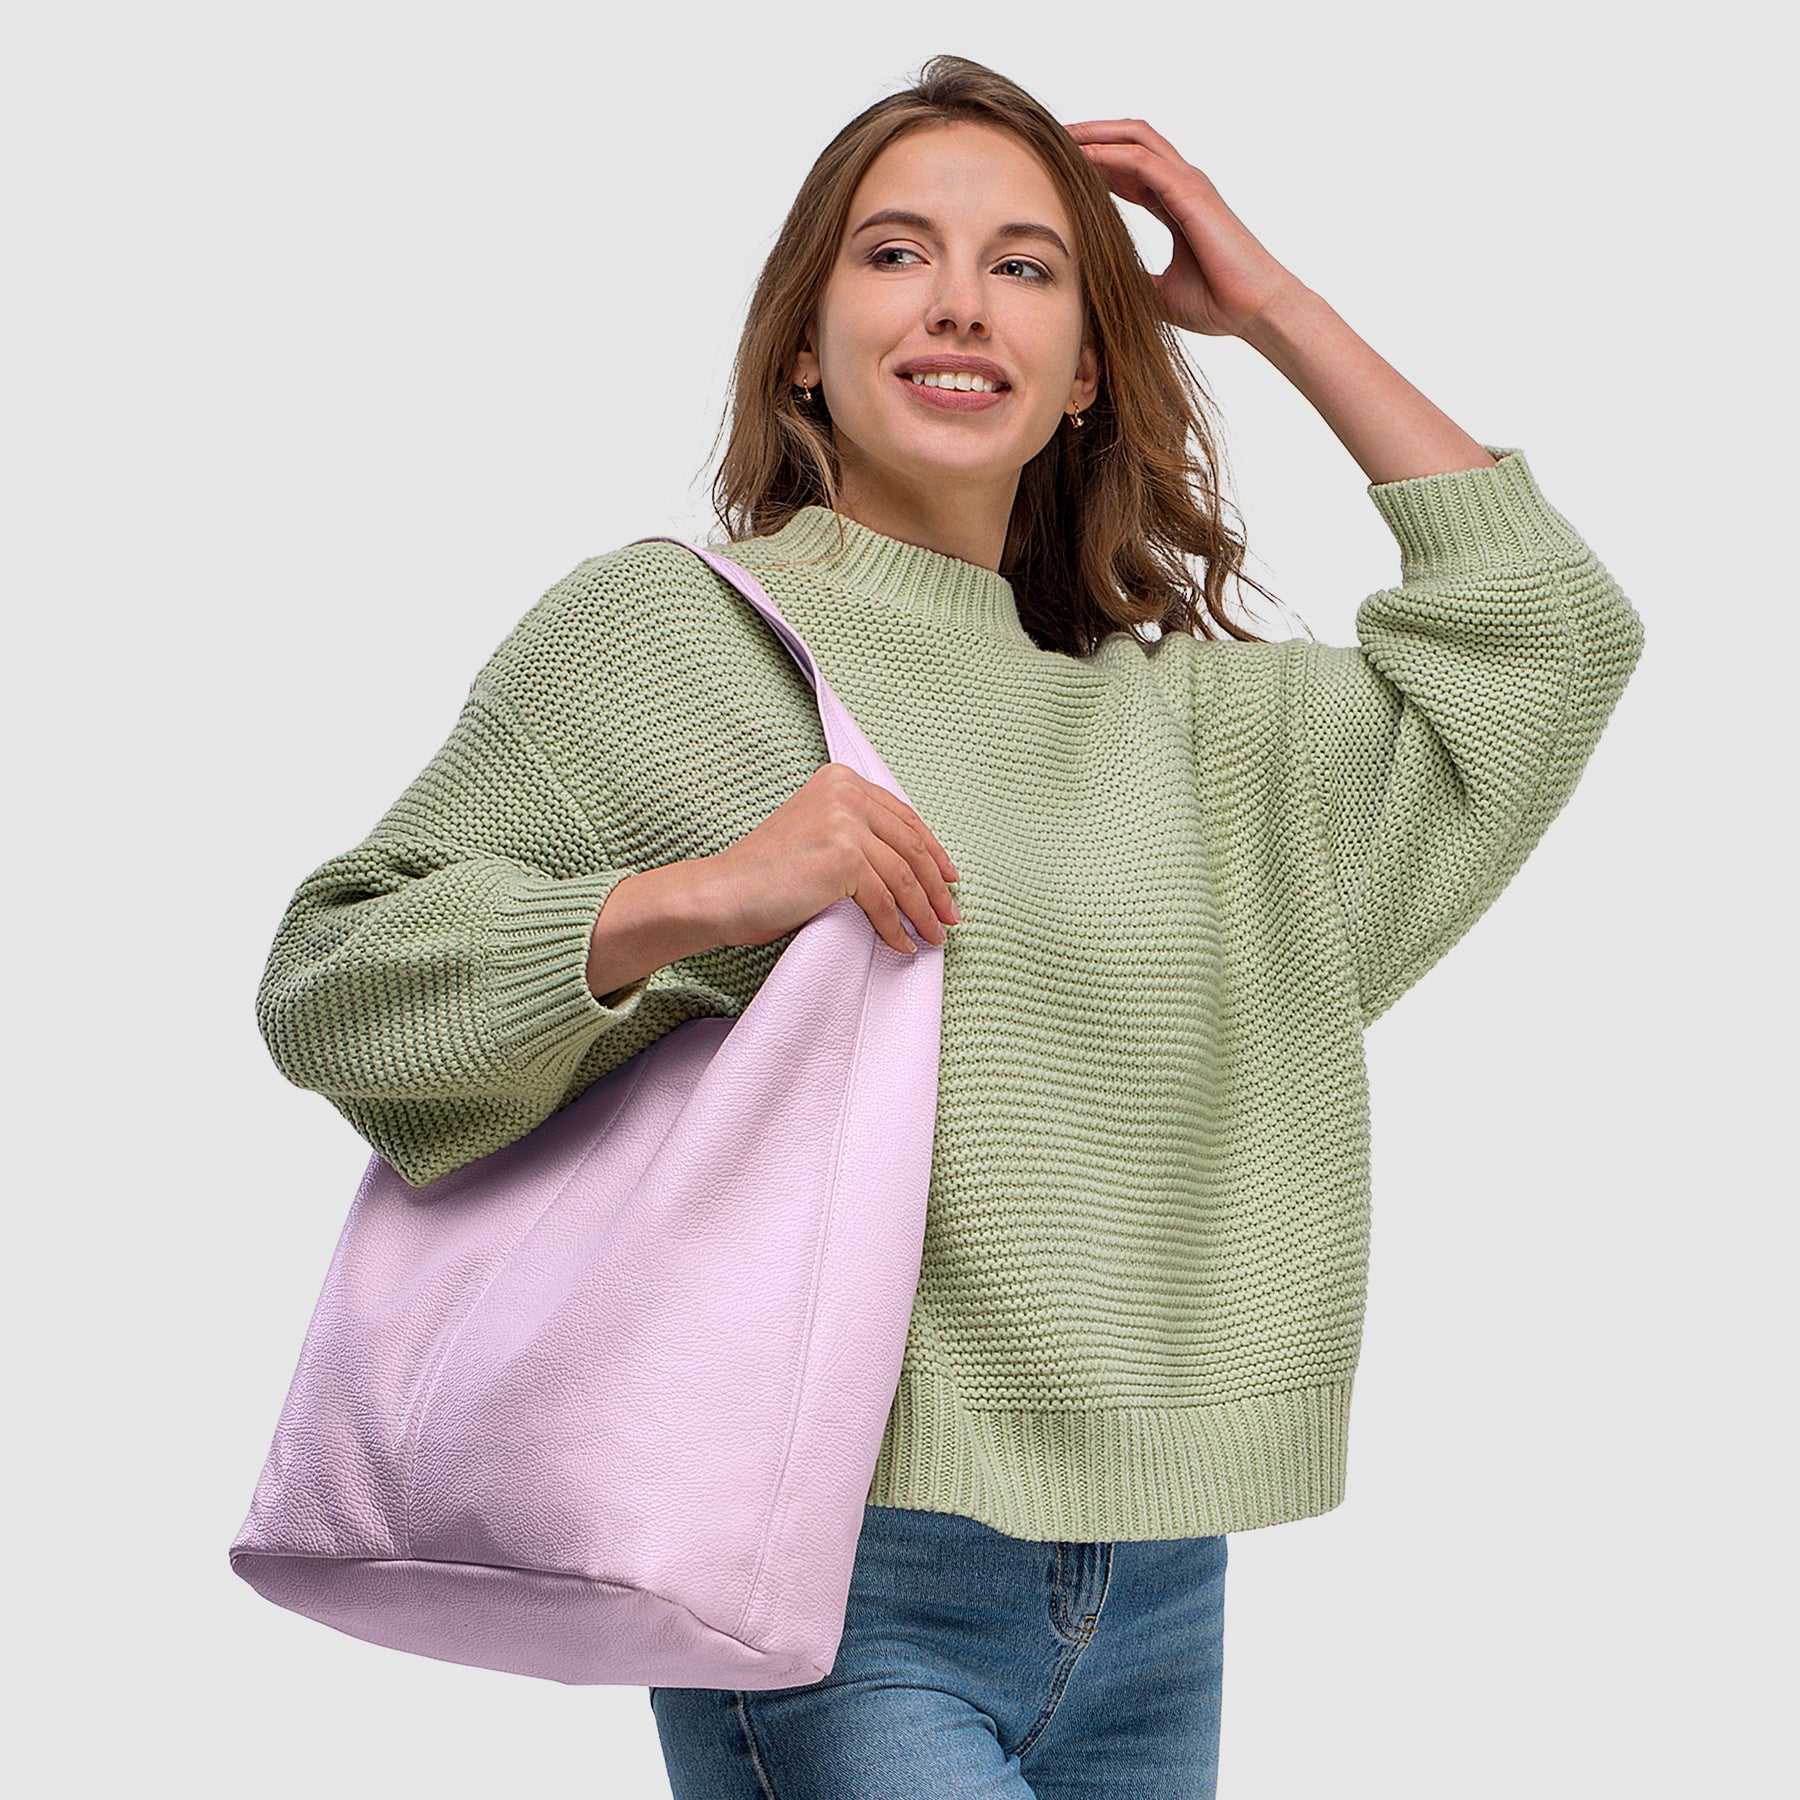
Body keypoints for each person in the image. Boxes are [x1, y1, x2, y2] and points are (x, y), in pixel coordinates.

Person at [253, 53, 1645, 1800]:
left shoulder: (1201, 736)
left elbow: (1550, 633)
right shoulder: (669, 640)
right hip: (834, 1561)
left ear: (1086, 371)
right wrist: (699, 895)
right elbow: (335, 982)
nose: (962, 303)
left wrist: (1272, 307)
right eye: (897, 252)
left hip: (1160, 1579)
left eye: (1028, 266)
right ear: (802, 345)